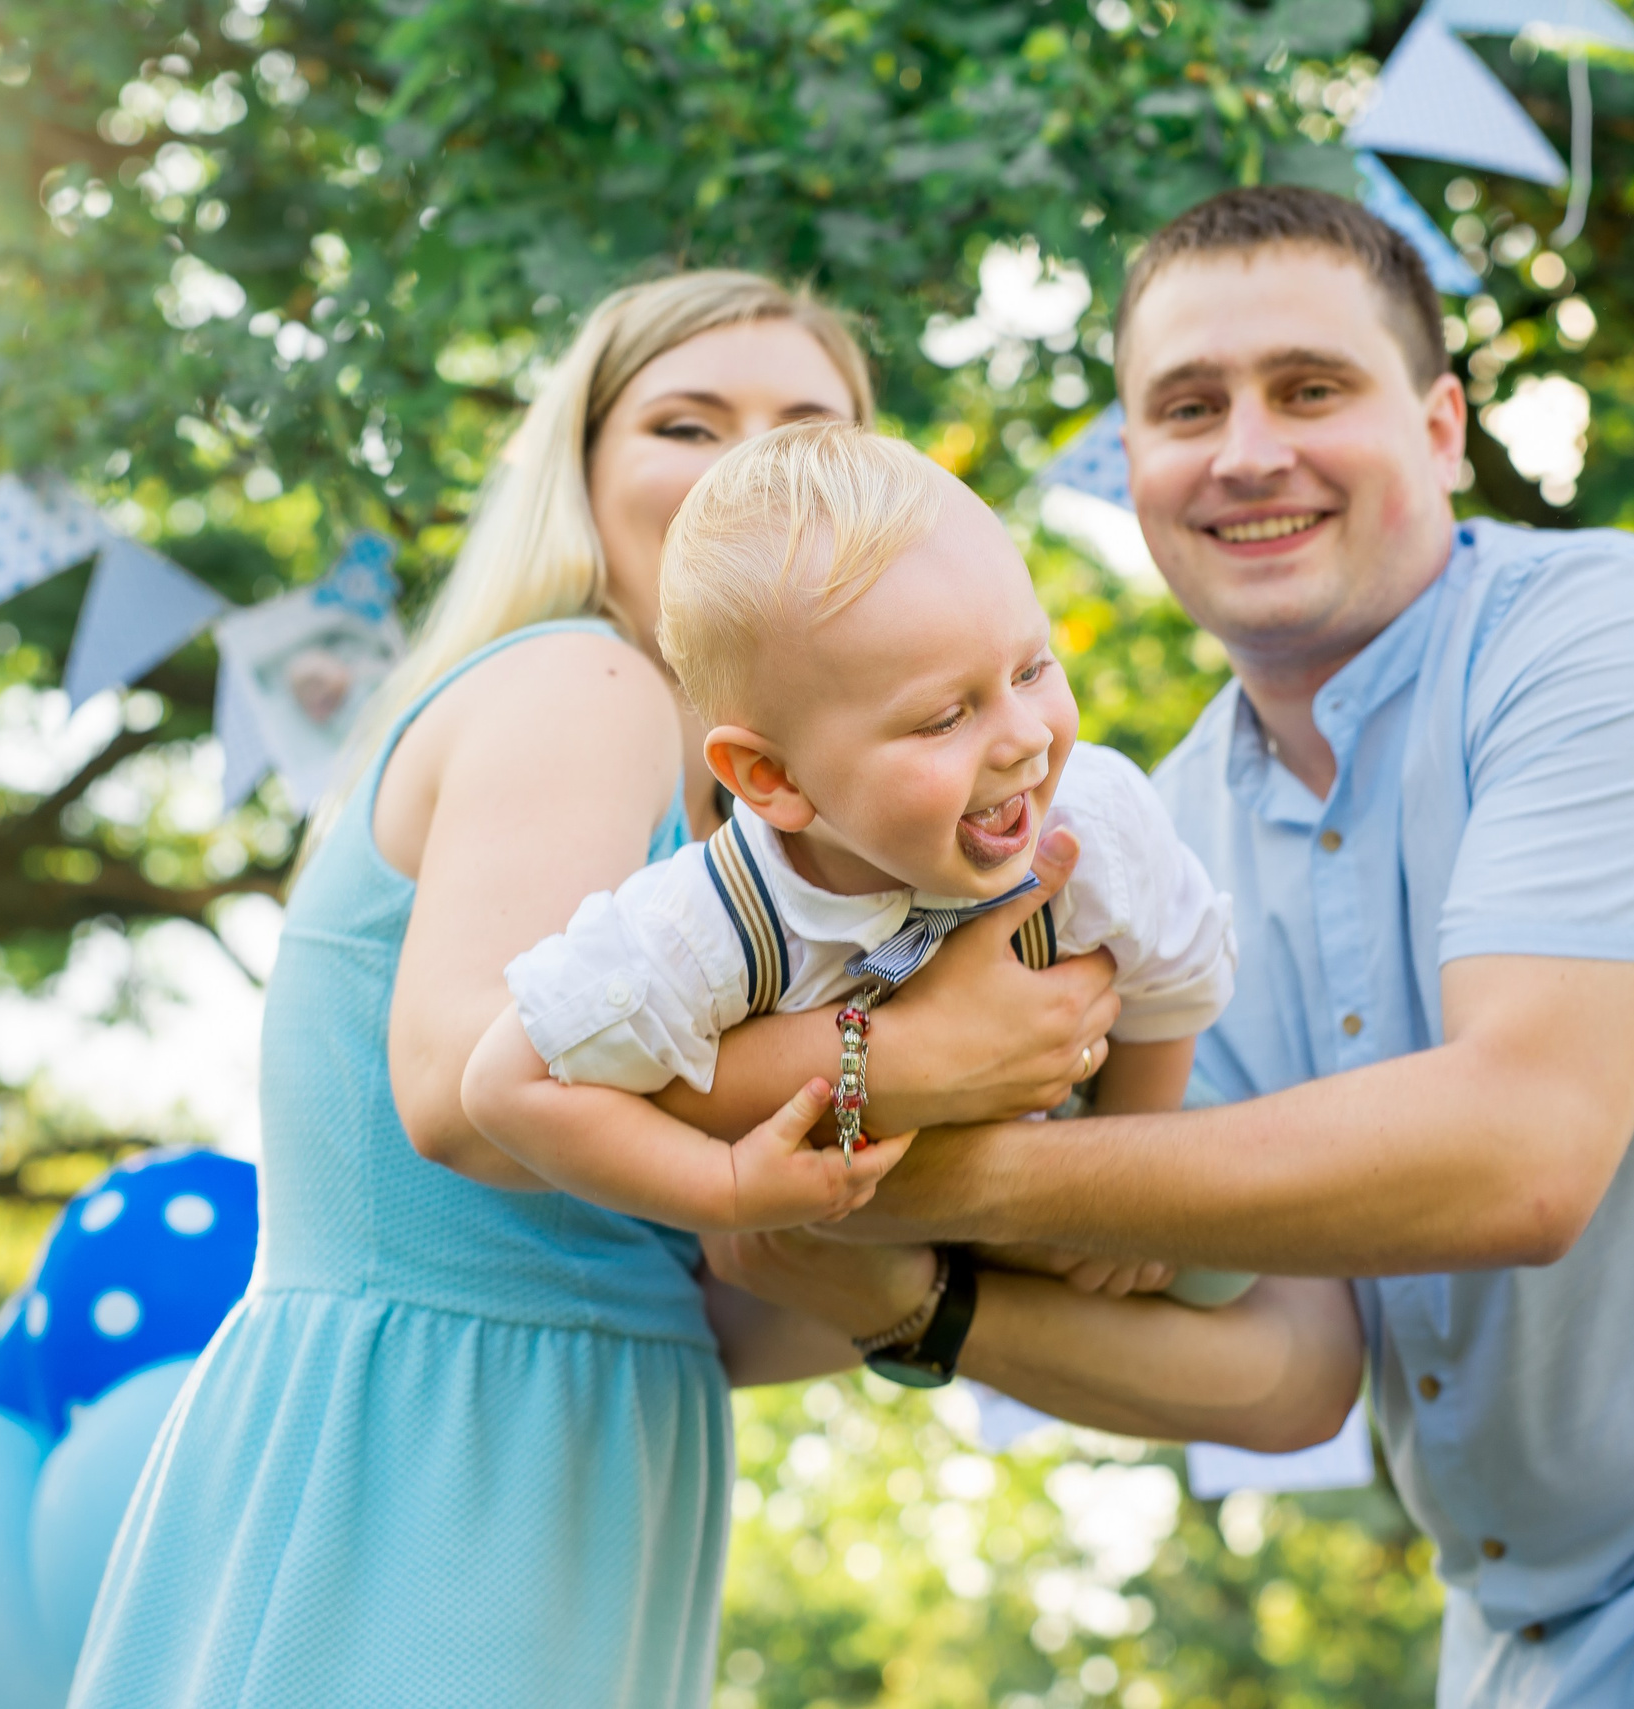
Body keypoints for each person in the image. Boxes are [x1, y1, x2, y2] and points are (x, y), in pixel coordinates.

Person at [713, 186, 1634, 1706]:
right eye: (1189, 407)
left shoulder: (1606, 634)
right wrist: (915, 1305)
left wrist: (914, 1176)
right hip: (1530, 1639)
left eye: (1310, 388)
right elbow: (1293, 1366)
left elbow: (1519, 1153)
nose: (1248, 448)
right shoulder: (1153, 838)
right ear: (1131, 471)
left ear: (1442, 428)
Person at [65, 271, 1136, 1709]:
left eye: (801, 427)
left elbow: (677, 1279)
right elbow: (461, 1098)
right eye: (686, 424)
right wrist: (906, 1057)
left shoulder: (775, 861)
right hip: (434, 1444)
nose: (746, 468)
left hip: (597, 1432)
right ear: (580, 475)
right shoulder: (587, 687)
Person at [461, 424, 1244, 1309]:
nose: (1026, 738)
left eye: (1032, 668)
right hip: (918, 1212)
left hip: (1111, 1100)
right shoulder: (711, 921)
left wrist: (1120, 1180)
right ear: (776, 779)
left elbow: (1174, 985)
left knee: (1225, 1268)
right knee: (816, 1244)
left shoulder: (1090, 820)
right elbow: (505, 1085)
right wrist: (718, 1183)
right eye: (944, 718)